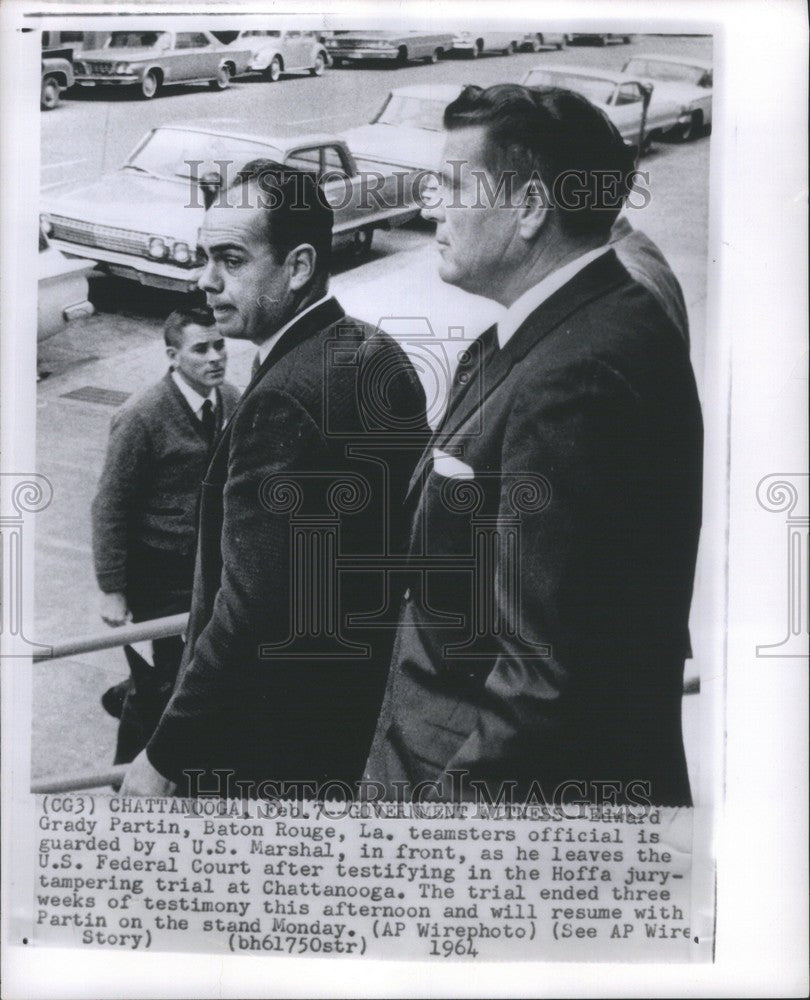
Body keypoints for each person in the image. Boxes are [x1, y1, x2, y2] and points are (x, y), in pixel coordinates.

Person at [363, 84, 703, 806]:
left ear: (529, 209)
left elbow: (540, 682)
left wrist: (418, 844)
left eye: (454, 184)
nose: (431, 207)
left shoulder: (578, 376)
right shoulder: (568, 327)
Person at [121, 161, 427, 797]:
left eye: (231, 259)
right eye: (207, 258)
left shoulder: (280, 398)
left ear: (298, 266)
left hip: (263, 748)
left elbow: (250, 608)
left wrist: (163, 755)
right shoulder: (373, 350)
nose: (206, 281)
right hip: (349, 722)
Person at [92, 306, 240, 764]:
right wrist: (112, 590)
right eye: (202, 349)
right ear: (173, 355)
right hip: (157, 581)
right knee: (159, 693)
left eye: (220, 345)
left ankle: (135, 688)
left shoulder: (232, 400)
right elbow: (110, 506)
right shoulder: (140, 417)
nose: (216, 357)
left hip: (208, 574)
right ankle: (123, 780)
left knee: (194, 675)